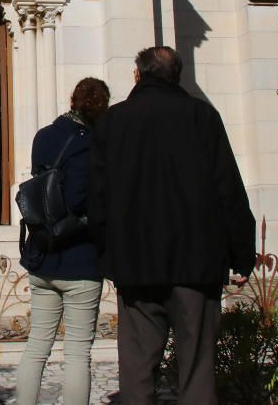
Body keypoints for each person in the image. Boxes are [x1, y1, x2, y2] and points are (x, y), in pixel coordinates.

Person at [88, 46, 255, 405]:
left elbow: (97, 198)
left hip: (136, 264)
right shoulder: (202, 116)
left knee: (136, 368)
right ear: (176, 75)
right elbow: (229, 189)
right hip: (196, 264)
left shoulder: (113, 121)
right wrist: (242, 255)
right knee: (197, 369)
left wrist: (106, 253)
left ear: (138, 75)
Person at [16, 77, 111, 405]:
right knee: (77, 354)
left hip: (42, 254)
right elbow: (79, 198)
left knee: (36, 347)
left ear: (73, 100)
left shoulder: (43, 135)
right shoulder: (93, 142)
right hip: (80, 259)